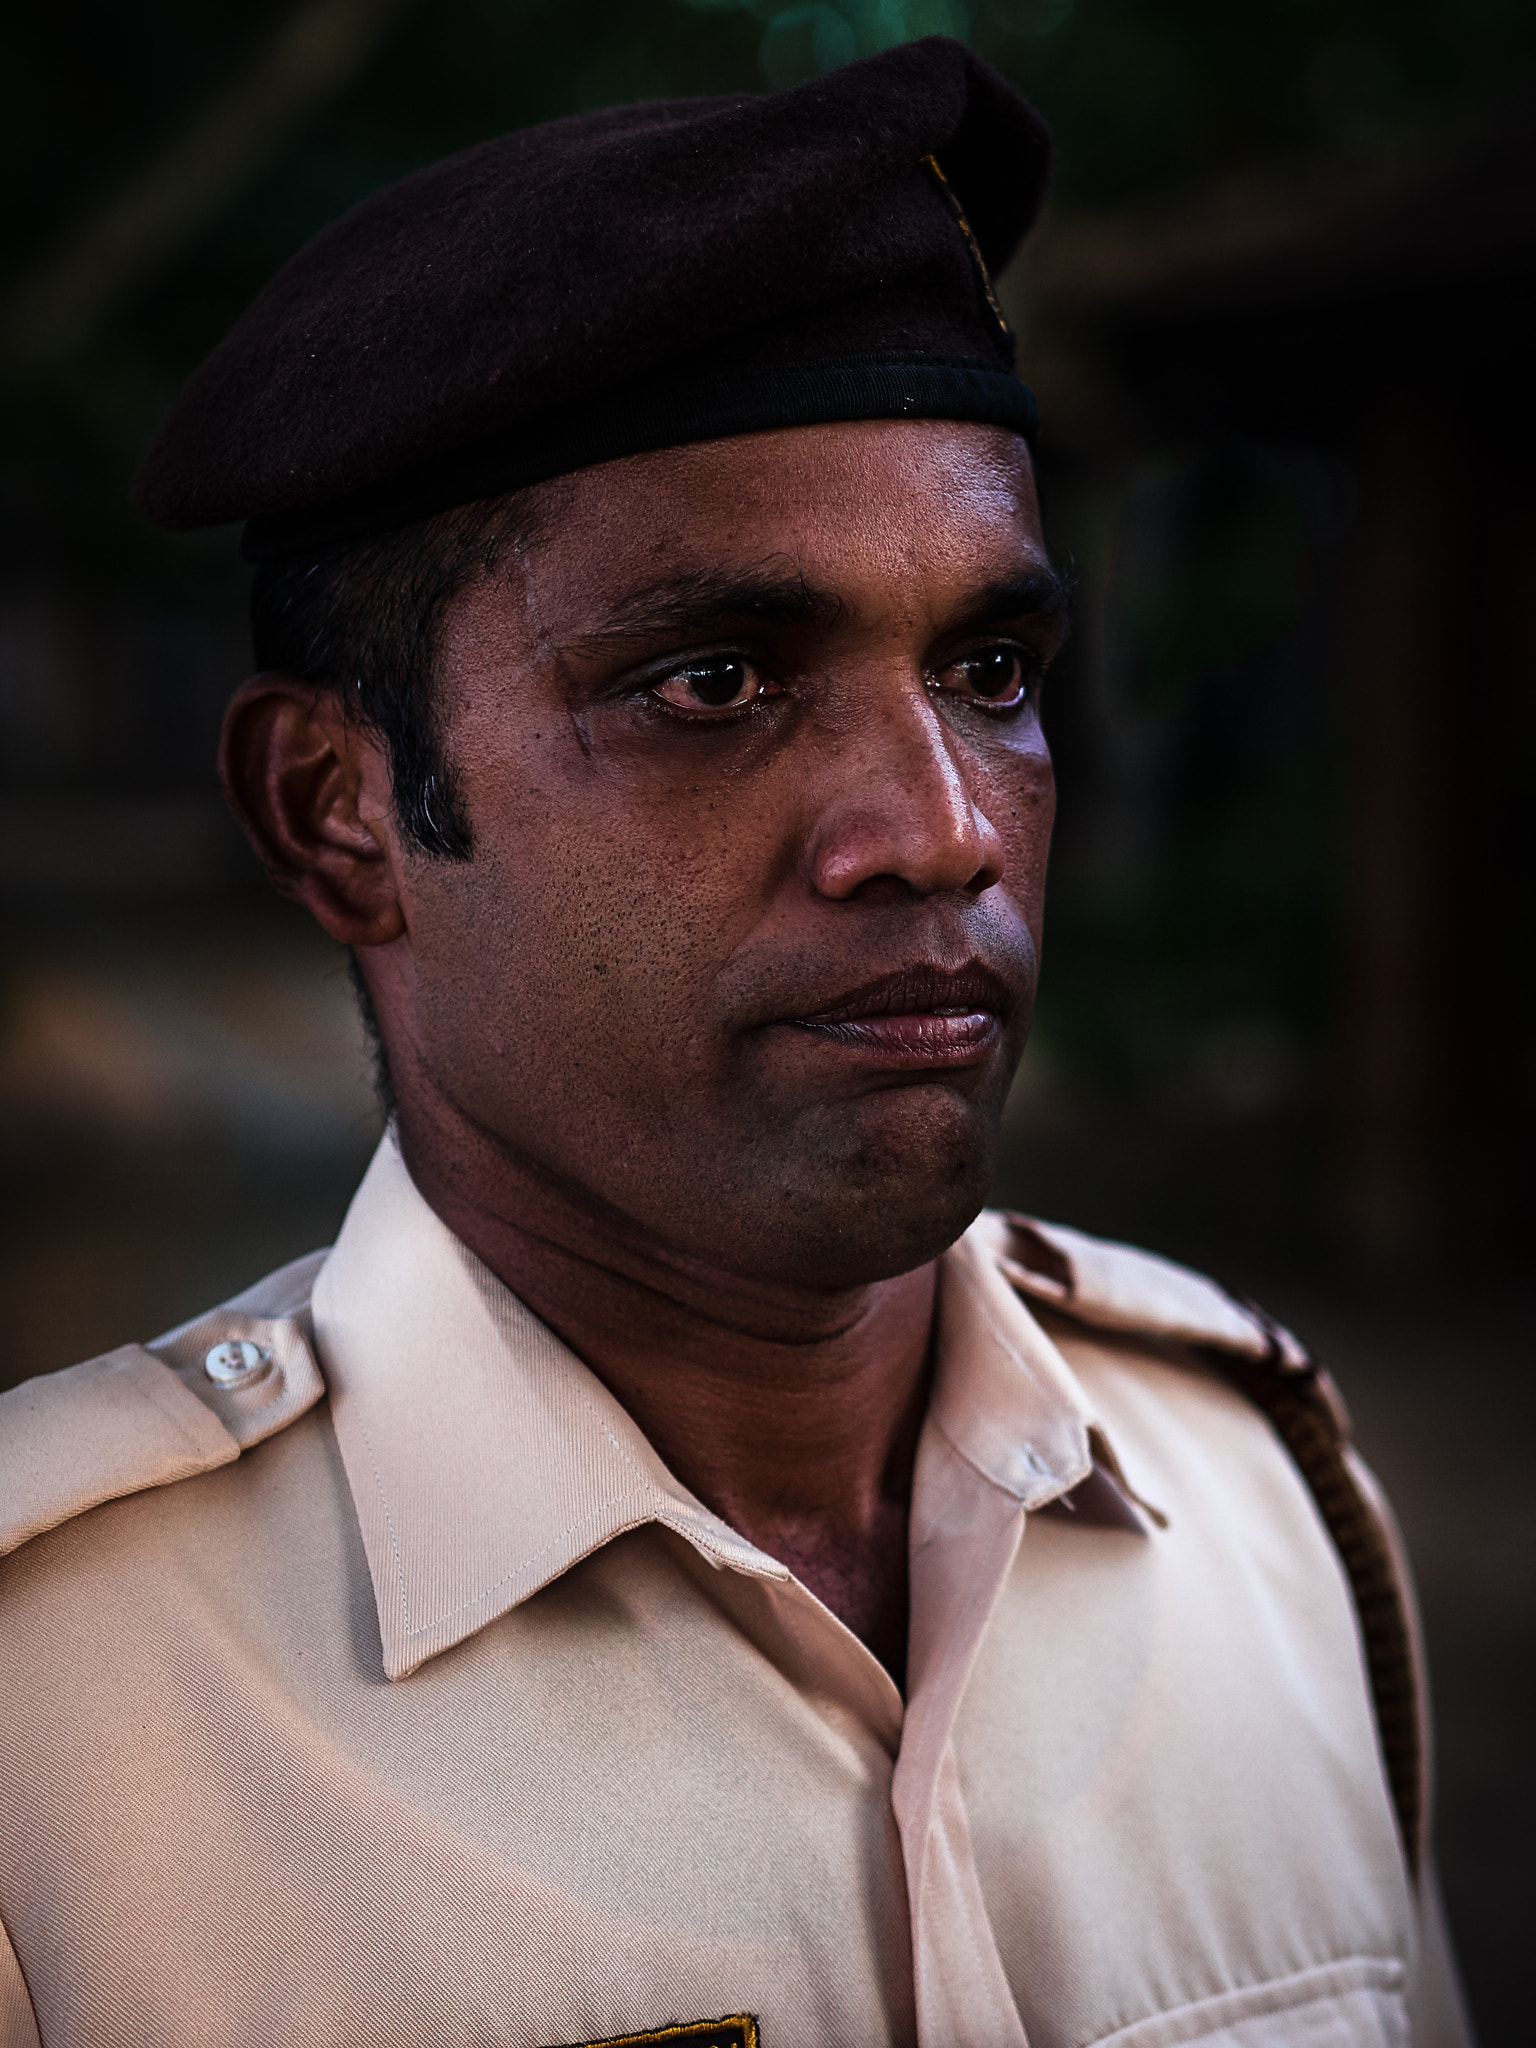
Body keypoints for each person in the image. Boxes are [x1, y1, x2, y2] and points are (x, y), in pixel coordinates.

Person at [0, 37, 1472, 2048]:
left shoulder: (1269, 1510)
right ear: (340, 810)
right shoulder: (54, 1719)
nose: (941, 826)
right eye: (713, 679)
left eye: (991, 666)